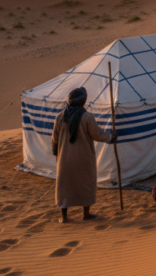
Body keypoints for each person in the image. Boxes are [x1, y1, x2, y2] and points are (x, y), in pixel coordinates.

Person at [51, 87, 116, 223]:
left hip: (65, 158)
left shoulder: (60, 116)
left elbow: (55, 139)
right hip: (84, 157)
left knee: (65, 185)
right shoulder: (87, 117)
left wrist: (55, 151)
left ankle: (64, 217)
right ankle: (86, 214)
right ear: (82, 101)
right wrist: (110, 136)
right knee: (85, 183)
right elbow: (97, 134)